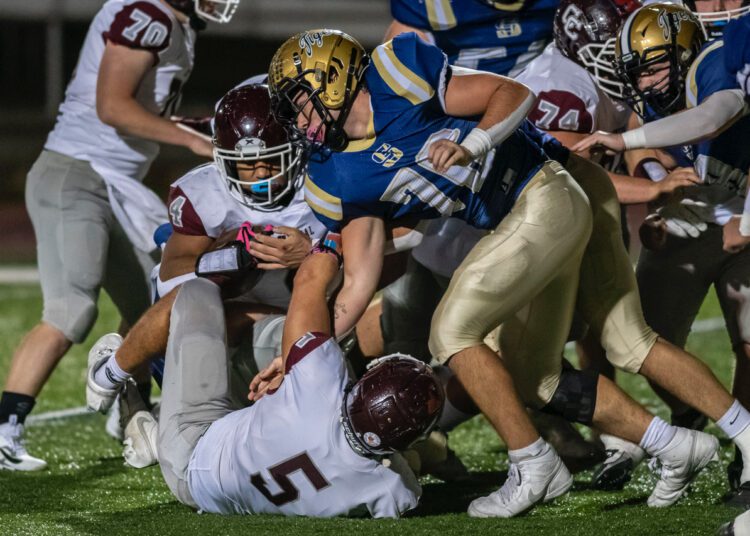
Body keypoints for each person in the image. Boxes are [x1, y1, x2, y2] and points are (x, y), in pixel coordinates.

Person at [267, 29, 750, 516]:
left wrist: (474, 143)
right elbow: (357, 282)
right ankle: (679, 444)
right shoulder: (336, 171)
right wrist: (300, 358)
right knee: (556, 366)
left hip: (548, 187)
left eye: (300, 103)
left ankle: (534, 463)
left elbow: (513, 93)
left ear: (332, 78)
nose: (298, 121)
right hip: (537, 208)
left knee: (452, 331)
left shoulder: (397, 74)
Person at [0, 0, 240, 472]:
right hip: (77, 174)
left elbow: (143, 109)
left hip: (115, 183)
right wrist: (190, 139)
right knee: (72, 308)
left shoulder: (174, 24)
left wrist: (198, 126)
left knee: (156, 299)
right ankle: (6, 428)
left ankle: (129, 410)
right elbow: (112, 106)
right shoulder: (148, 13)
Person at [83, 83, 328, 464]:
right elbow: (174, 279)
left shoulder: (323, 181)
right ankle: (117, 371)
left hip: (288, 320)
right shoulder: (204, 193)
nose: (260, 176)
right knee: (197, 298)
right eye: (247, 164)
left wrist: (311, 253)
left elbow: (360, 266)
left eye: (271, 162)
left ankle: (143, 400)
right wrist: (225, 259)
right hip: (211, 330)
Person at [574, 4, 750, 500]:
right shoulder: (659, 93)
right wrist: (657, 194)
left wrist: (747, 220)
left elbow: (711, 117)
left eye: (653, 67)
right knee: (644, 341)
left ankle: (747, 453)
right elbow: (652, 147)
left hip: (741, 214)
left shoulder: (716, 60)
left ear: (686, 51)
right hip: (694, 214)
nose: (646, 82)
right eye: (638, 73)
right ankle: (691, 413)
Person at [149, 240, 441, 517]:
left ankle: (132, 392)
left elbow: (311, 278)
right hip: (222, 491)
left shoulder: (320, 384)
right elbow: (399, 484)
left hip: (192, 454)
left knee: (196, 291)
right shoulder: (394, 490)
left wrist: (329, 240)